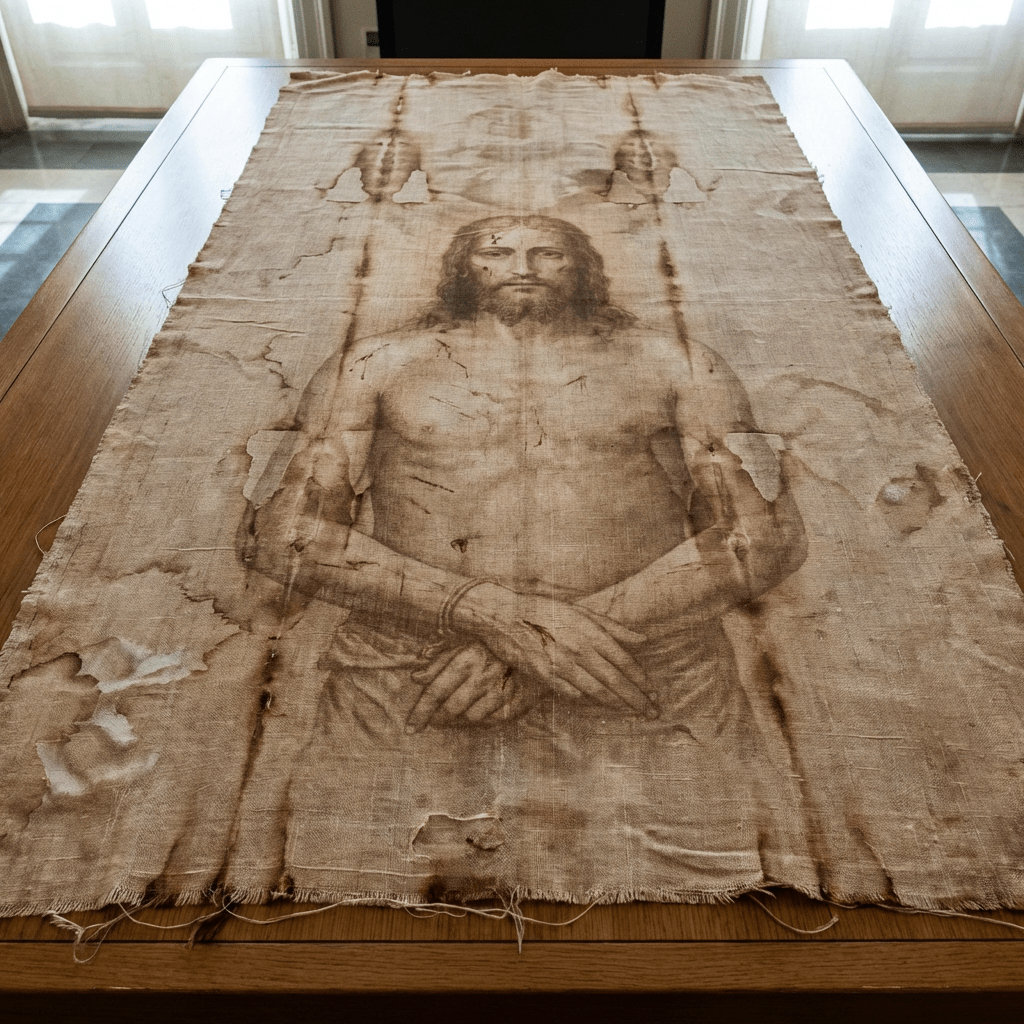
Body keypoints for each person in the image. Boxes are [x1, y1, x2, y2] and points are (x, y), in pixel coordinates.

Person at [250, 214, 807, 738]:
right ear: (461, 270)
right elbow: (282, 534)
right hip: (416, 672)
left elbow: (763, 536)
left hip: (645, 669)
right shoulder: (372, 364)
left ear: (581, 268)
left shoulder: (679, 363)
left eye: (548, 253)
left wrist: (552, 639)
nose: (523, 266)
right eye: (496, 252)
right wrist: (489, 613)